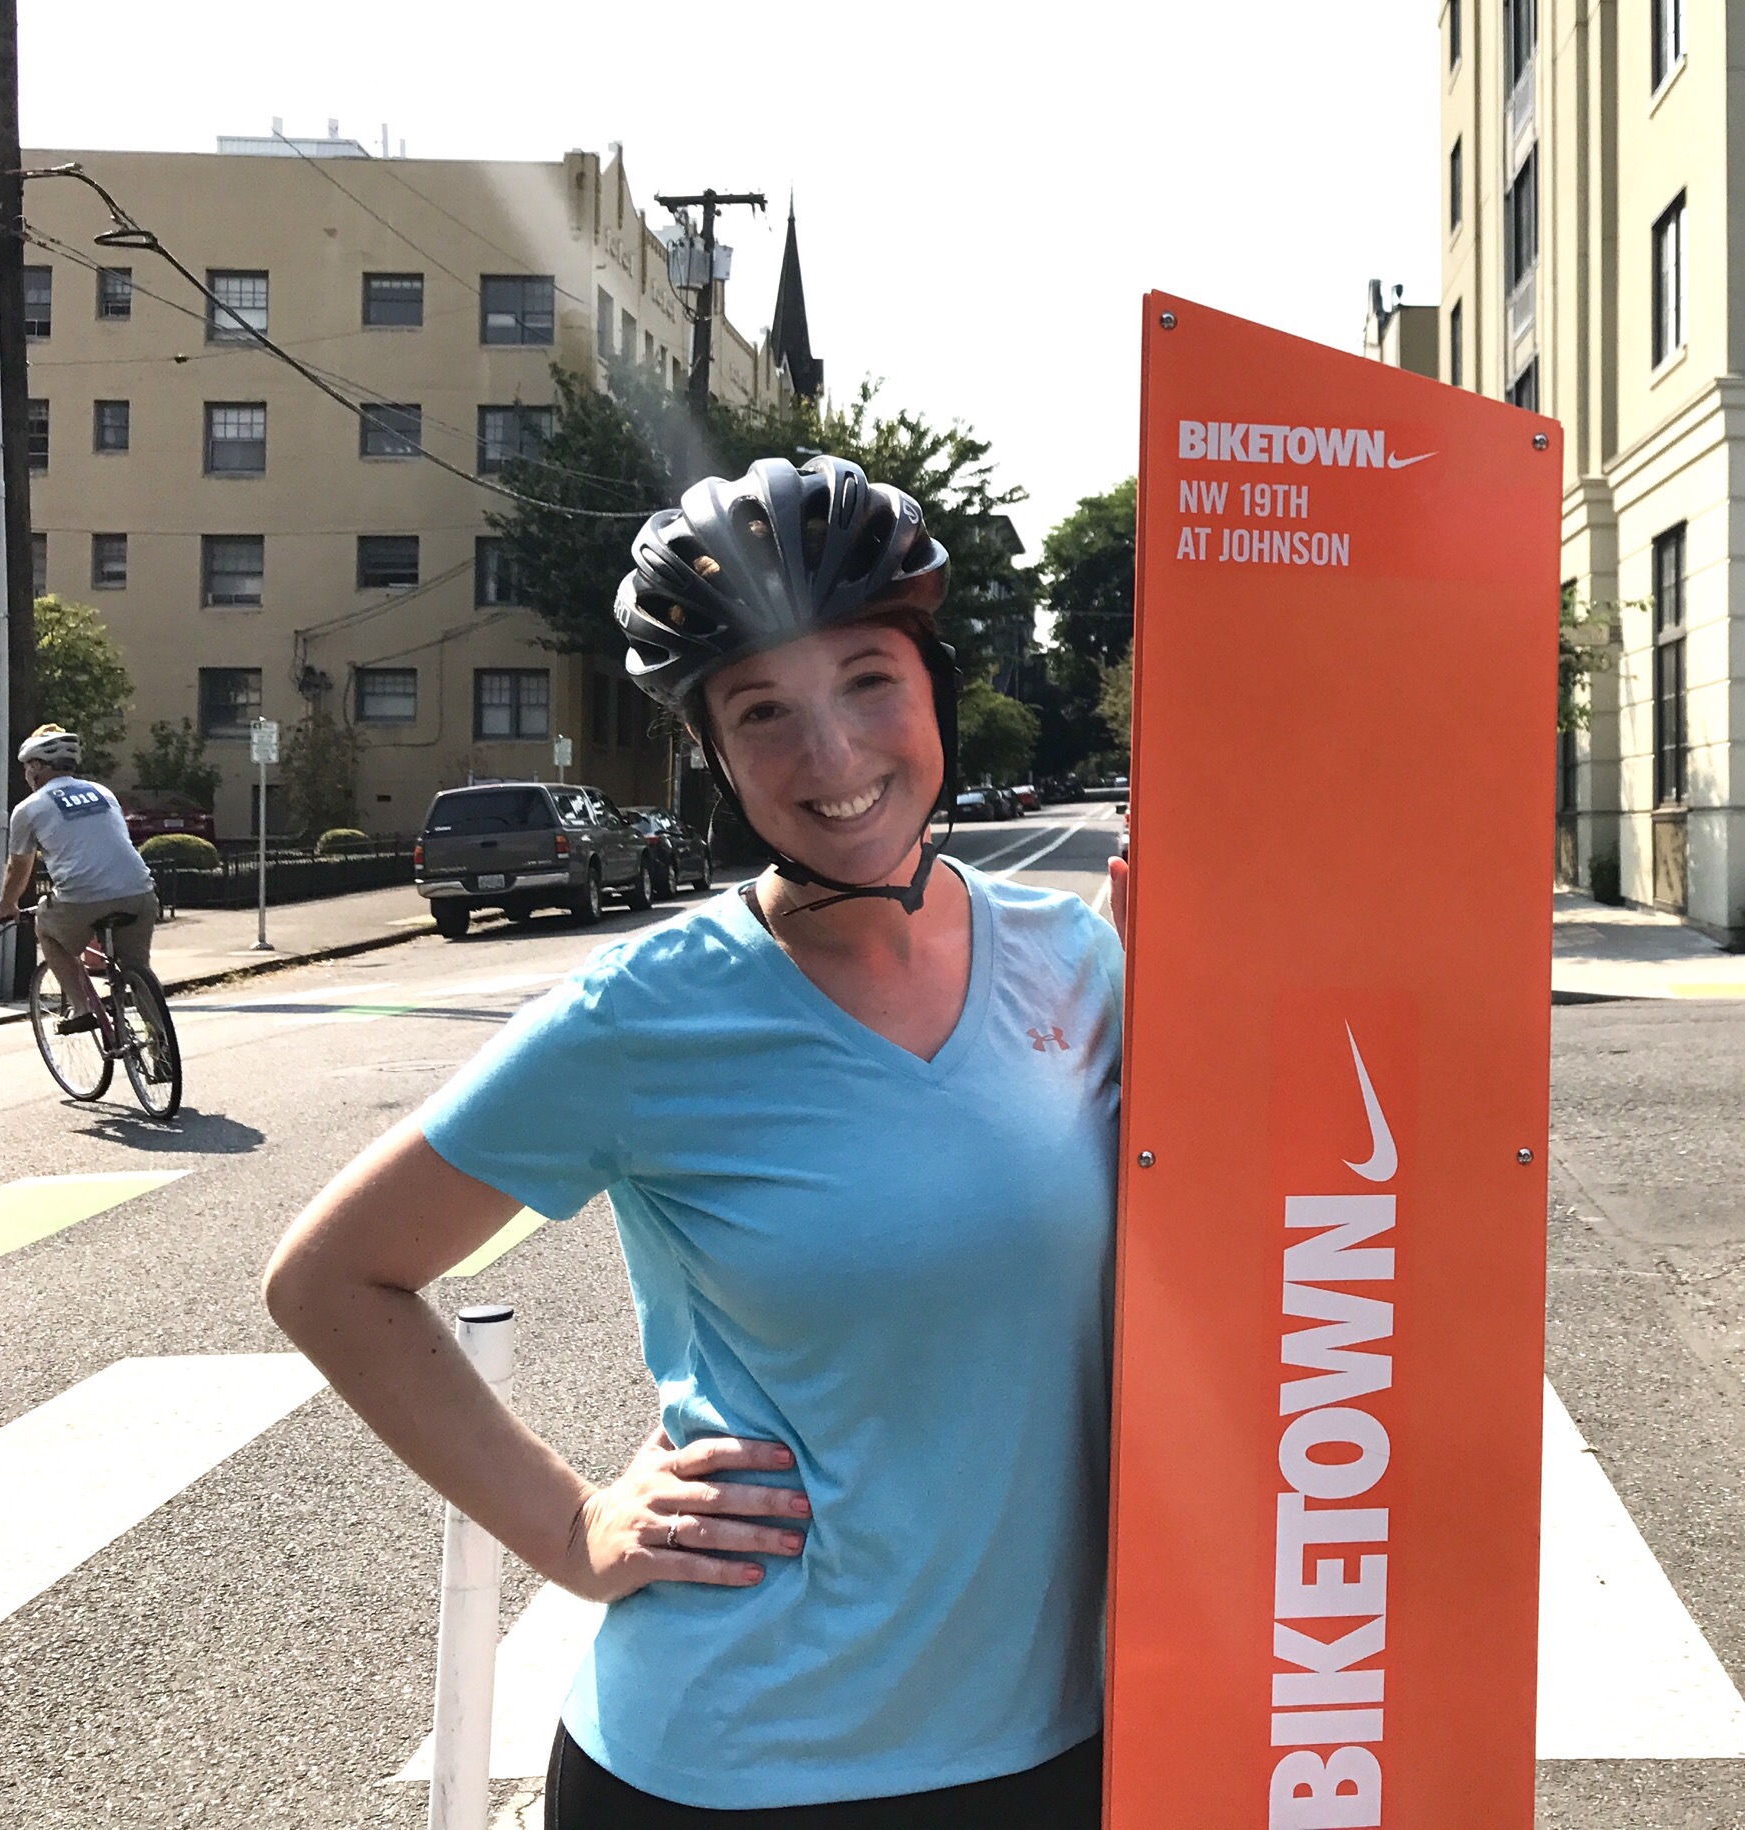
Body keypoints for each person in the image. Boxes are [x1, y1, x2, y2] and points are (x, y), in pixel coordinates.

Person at [266, 457, 1129, 1828]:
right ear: (715, 754)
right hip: (733, 1766)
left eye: (867, 680)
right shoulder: (648, 1012)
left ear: (935, 688)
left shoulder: (1081, 960)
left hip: (1057, 1743)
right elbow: (331, 1277)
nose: (833, 755)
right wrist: (570, 1528)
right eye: (763, 711)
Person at [0, 724, 163, 1025]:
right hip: (139, 891)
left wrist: (7, 906)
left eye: (25, 768)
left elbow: (20, 866)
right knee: (139, 968)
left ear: (36, 766)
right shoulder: (103, 792)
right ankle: (160, 1047)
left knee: (47, 930)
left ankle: (83, 1008)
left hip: (81, 900)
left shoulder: (29, 808)